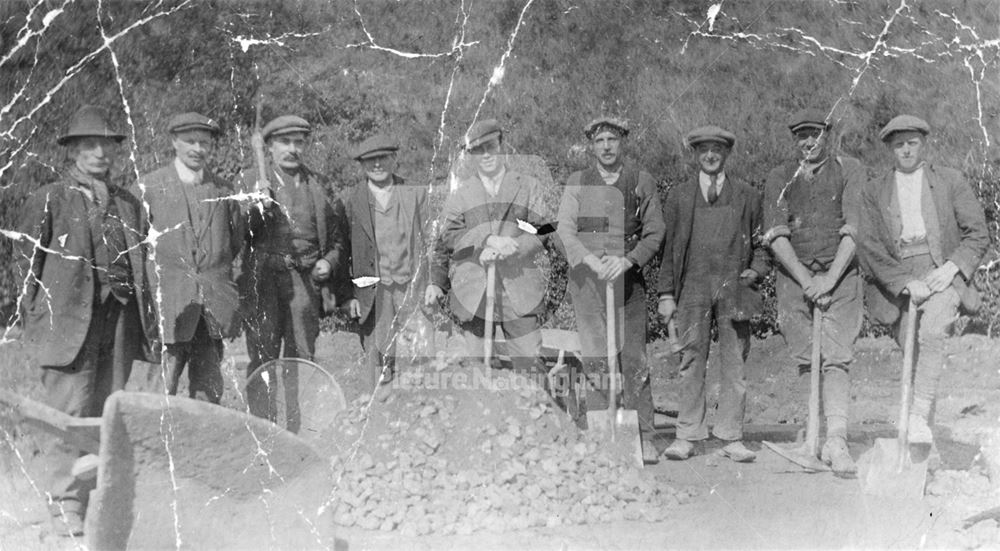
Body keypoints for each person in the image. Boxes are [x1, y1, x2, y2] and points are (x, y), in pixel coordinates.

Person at [17, 105, 156, 536]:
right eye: (90, 145)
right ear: (73, 151)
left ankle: (96, 502)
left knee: (106, 416)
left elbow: (141, 263)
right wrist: (37, 321)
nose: (100, 153)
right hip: (67, 328)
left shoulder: (129, 203)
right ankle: (63, 506)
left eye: (107, 145)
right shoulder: (50, 198)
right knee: (67, 417)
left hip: (117, 323)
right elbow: (26, 268)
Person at [858, 114, 988, 457]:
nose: (905, 150)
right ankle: (920, 452)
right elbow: (868, 245)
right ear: (889, 148)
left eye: (911, 143)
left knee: (931, 333)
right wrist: (903, 283)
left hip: (940, 273)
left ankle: (916, 418)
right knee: (912, 354)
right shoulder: (874, 190)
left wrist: (951, 267)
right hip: (900, 281)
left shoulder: (950, 181)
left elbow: (978, 233)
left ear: (923, 144)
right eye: (898, 144)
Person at [761, 109, 866, 476]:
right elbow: (775, 236)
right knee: (806, 356)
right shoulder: (779, 177)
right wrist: (807, 281)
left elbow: (854, 230)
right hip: (795, 278)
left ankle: (835, 438)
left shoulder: (849, 170)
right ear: (795, 140)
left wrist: (829, 279)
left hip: (841, 275)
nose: (809, 142)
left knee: (837, 356)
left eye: (816, 134)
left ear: (828, 135)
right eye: (802, 136)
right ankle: (811, 432)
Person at [555, 116, 665, 464]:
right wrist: (589, 260)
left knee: (633, 357)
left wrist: (629, 261)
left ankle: (645, 436)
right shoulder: (577, 183)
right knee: (597, 357)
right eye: (600, 140)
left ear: (623, 143)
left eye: (613, 140)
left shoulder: (640, 181)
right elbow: (564, 231)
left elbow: (655, 232)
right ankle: (602, 435)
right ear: (592, 145)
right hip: (588, 284)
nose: (606, 146)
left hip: (628, 284)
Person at [657, 126, 770, 462]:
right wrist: (666, 293)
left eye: (716, 150)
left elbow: (763, 243)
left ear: (726, 155)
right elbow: (666, 252)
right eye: (703, 150)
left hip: (734, 285)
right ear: (695, 154)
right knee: (691, 359)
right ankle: (688, 434)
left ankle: (730, 436)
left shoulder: (748, 195)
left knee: (734, 361)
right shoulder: (678, 196)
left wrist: (757, 270)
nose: (709, 156)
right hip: (692, 285)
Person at [239, 115, 346, 418]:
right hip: (265, 283)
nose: (292, 148)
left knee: (302, 355)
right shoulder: (250, 181)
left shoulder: (318, 184)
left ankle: (300, 425)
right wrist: (255, 206)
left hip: (305, 283)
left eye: (298, 142)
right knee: (263, 357)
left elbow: (337, 240)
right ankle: (263, 427)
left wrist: (328, 261)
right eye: (285, 142)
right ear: (269, 147)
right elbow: (236, 234)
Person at [426, 119, 550, 374]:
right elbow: (449, 234)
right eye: (478, 150)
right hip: (474, 293)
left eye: (491, 147)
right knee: (478, 371)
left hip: (519, 291)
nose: (486, 155)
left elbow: (543, 230)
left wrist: (516, 246)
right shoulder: (461, 194)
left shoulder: (528, 186)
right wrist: (483, 243)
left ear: (501, 145)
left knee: (531, 366)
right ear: (471, 155)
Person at [141, 112, 243, 403]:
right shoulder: (150, 187)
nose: (198, 149)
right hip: (171, 308)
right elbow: (137, 249)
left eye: (204, 142)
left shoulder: (224, 191)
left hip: (212, 309)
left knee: (208, 392)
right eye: (190, 141)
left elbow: (232, 246)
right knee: (159, 394)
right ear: (174, 142)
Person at [343, 133, 428, 392]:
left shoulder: (414, 193)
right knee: (378, 359)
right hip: (374, 293)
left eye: (383, 158)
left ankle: (419, 408)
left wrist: (432, 285)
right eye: (370, 160)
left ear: (394, 159)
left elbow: (430, 242)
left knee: (419, 354)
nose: (377, 165)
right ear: (361, 165)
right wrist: (349, 295)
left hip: (409, 288)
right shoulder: (351, 201)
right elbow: (343, 250)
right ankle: (378, 414)